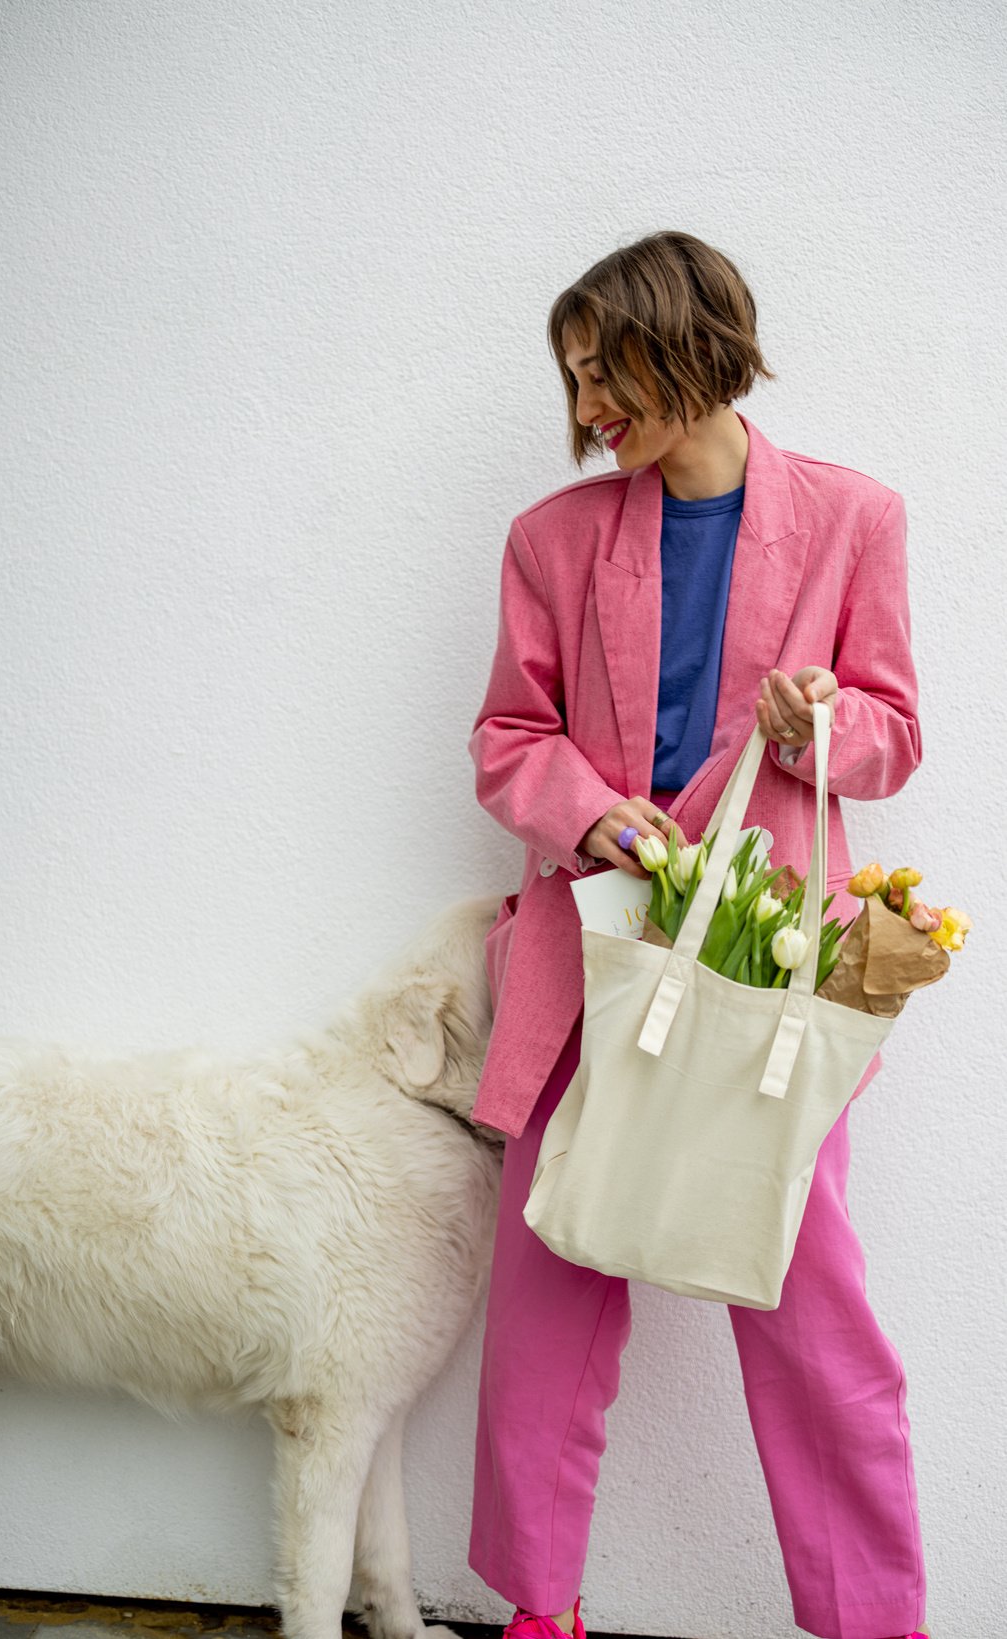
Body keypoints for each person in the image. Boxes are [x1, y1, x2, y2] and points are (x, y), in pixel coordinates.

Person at [465, 230, 929, 1639]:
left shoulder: (854, 516)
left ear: (691, 344)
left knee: (810, 1316)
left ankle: (872, 1623)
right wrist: (601, 821)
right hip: (590, 956)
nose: (590, 407)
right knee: (548, 1303)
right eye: (575, 382)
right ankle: (539, 1612)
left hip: (759, 972)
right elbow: (507, 738)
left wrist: (824, 725)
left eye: (607, 372)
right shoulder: (552, 538)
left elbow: (896, 735)